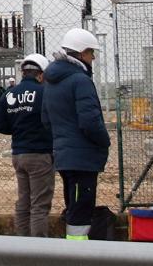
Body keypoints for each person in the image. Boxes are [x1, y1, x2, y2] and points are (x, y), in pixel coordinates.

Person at [42, 28, 109, 241]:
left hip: (65, 156)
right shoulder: (80, 81)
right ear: (81, 53)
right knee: (81, 210)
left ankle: (75, 250)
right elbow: (90, 122)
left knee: (74, 205)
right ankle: (78, 254)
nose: (94, 57)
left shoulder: (52, 82)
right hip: (83, 158)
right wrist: (104, 141)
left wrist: (63, 140)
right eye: (91, 53)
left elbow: (45, 119)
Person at [0, 53, 54, 236]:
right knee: (39, 205)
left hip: (18, 154)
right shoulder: (44, 93)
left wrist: (18, 130)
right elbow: (54, 119)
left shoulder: (10, 93)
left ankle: (21, 247)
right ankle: (38, 251)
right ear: (41, 75)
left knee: (23, 202)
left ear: (23, 72)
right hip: (40, 154)